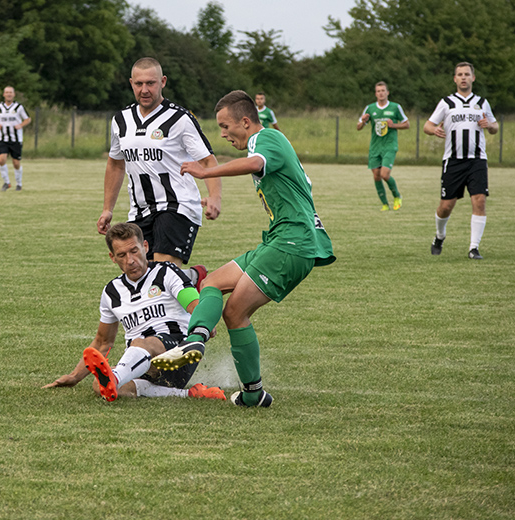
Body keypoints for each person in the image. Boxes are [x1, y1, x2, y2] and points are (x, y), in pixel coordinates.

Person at [150, 90, 335, 408]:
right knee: (210, 283)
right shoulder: (269, 143)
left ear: (245, 121)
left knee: (235, 311)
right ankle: (197, 341)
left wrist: (207, 171)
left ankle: (249, 390)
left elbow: (255, 163)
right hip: (278, 239)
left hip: (293, 243)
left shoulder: (267, 139)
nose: (222, 134)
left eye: (224, 127)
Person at [43, 222, 226, 402]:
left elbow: (193, 303)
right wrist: (74, 377)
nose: (130, 260)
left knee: (143, 343)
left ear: (145, 246)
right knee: (98, 385)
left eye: (134, 251)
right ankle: (189, 394)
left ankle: (114, 378)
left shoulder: (166, 272)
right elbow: (103, 342)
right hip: (143, 365)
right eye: (121, 255)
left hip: (179, 352)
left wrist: (204, 321)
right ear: (112, 257)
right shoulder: (111, 292)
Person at [97, 57, 222, 287]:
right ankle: (194, 278)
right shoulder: (121, 120)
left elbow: (207, 160)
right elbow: (115, 164)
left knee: (162, 277)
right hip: (140, 211)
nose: (145, 90)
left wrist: (215, 196)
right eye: (139, 84)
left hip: (177, 205)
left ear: (163, 82)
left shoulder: (180, 118)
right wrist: (107, 209)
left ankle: (198, 319)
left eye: (151, 83)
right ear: (131, 83)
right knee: (142, 278)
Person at [423, 62, 498, 260]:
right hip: (453, 161)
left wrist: (489, 125)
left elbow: (495, 126)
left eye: (467, 74)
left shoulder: (482, 102)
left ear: (473, 78)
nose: (463, 77)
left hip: (477, 160)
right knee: (446, 206)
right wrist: (435, 130)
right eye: (460, 74)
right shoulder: (446, 103)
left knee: (479, 201)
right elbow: (427, 125)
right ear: (455, 79)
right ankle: (439, 236)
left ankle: (474, 248)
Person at [356, 82, 409, 211]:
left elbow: (406, 124)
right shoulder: (370, 108)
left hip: (390, 146)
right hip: (375, 147)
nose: (381, 93)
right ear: (375, 93)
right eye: (378, 91)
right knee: (376, 176)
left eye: (383, 90)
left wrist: (393, 125)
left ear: (387, 92)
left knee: (385, 174)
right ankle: (385, 204)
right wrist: (363, 121)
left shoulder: (395, 107)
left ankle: (397, 196)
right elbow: (358, 127)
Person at [0, 86, 31, 191]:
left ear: (14, 94)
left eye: (10, 92)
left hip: (16, 139)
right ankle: (6, 183)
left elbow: (27, 119)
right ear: (3, 94)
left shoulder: (19, 107)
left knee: (16, 163)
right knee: (1, 160)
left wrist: (21, 125)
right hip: (2, 138)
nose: (8, 94)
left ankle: (19, 183)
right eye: (7, 92)